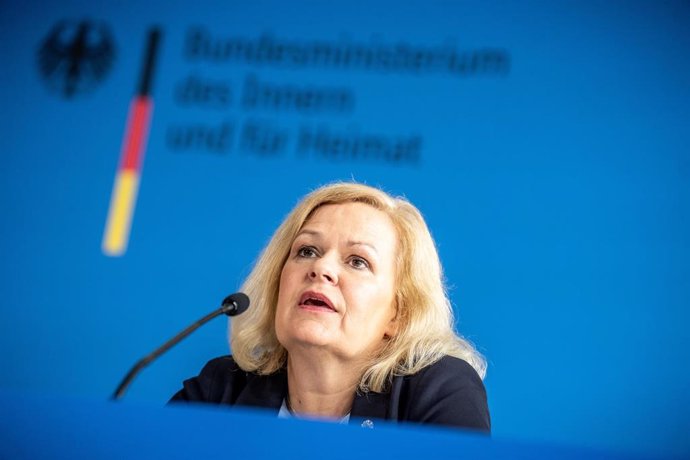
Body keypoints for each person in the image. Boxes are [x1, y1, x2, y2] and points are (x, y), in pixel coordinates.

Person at [171, 182, 490, 432]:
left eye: (357, 261)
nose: (321, 268)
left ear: (399, 313)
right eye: (307, 251)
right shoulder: (221, 391)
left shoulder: (438, 391)